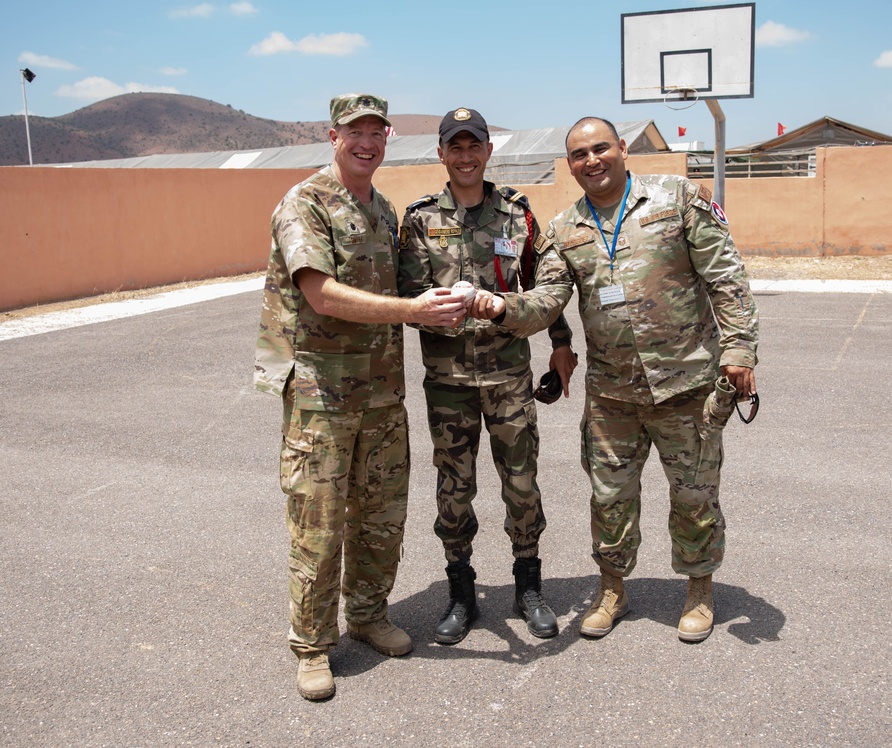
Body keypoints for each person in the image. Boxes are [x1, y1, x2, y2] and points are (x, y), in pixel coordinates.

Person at [474, 116, 759, 643]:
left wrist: (739, 350)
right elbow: (546, 301)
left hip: (686, 386)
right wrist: (498, 307)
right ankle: (612, 589)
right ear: (570, 164)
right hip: (611, 396)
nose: (592, 160)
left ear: (622, 148)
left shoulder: (675, 199)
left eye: (600, 148)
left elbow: (726, 276)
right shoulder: (565, 229)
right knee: (609, 498)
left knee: (694, 494)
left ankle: (699, 588)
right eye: (580, 154)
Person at [254, 93, 467, 701]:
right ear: (333, 137)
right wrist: (411, 309)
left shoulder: (382, 208)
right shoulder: (305, 203)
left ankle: (368, 614)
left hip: (380, 394)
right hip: (321, 394)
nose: (367, 142)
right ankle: (313, 645)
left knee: (380, 517)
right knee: (318, 526)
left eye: (377, 132)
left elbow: (408, 283)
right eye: (356, 133)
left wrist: (456, 296)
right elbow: (321, 294)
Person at [397, 108, 578, 644]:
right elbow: (404, 298)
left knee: (521, 486)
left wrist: (562, 343)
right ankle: (461, 591)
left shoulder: (517, 215)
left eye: (474, 144)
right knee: (454, 491)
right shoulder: (420, 219)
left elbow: (541, 286)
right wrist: (425, 308)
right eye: (456, 146)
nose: (466, 155)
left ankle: (528, 585)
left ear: (488, 151)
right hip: (448, 381)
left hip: (508, 378)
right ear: (441, 154)